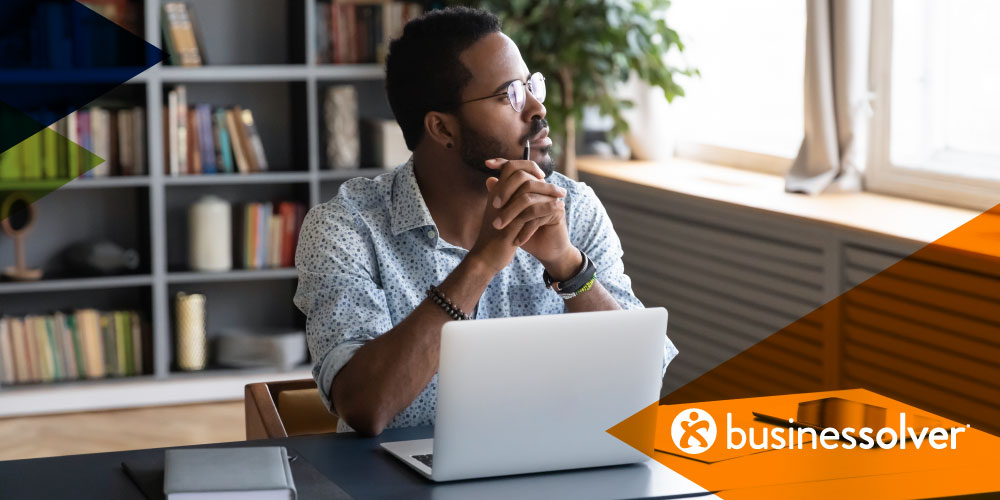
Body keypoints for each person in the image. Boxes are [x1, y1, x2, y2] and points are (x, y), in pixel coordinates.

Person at [294, 6, 677, 436]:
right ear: (442, 129)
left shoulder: (575, 208)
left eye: (533, 86)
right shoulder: (346, 228)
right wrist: (480, 263)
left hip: (559, 473)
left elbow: (646, 383)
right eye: (508, 95)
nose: (536, 108)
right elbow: (366, 407)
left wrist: (568, 266)